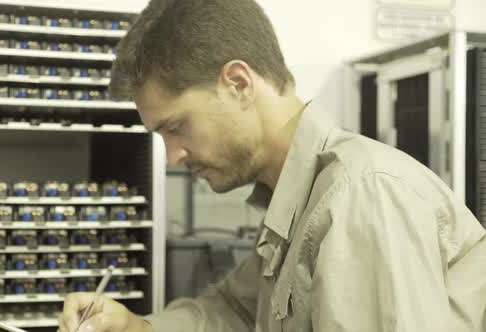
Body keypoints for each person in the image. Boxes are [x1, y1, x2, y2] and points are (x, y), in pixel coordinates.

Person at [58, 0, 486, 331]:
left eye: (177, 127)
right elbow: (238, 312)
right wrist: (138, 326)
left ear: (239, 84)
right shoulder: (294, 199)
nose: (173, 156)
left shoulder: (359, 196)